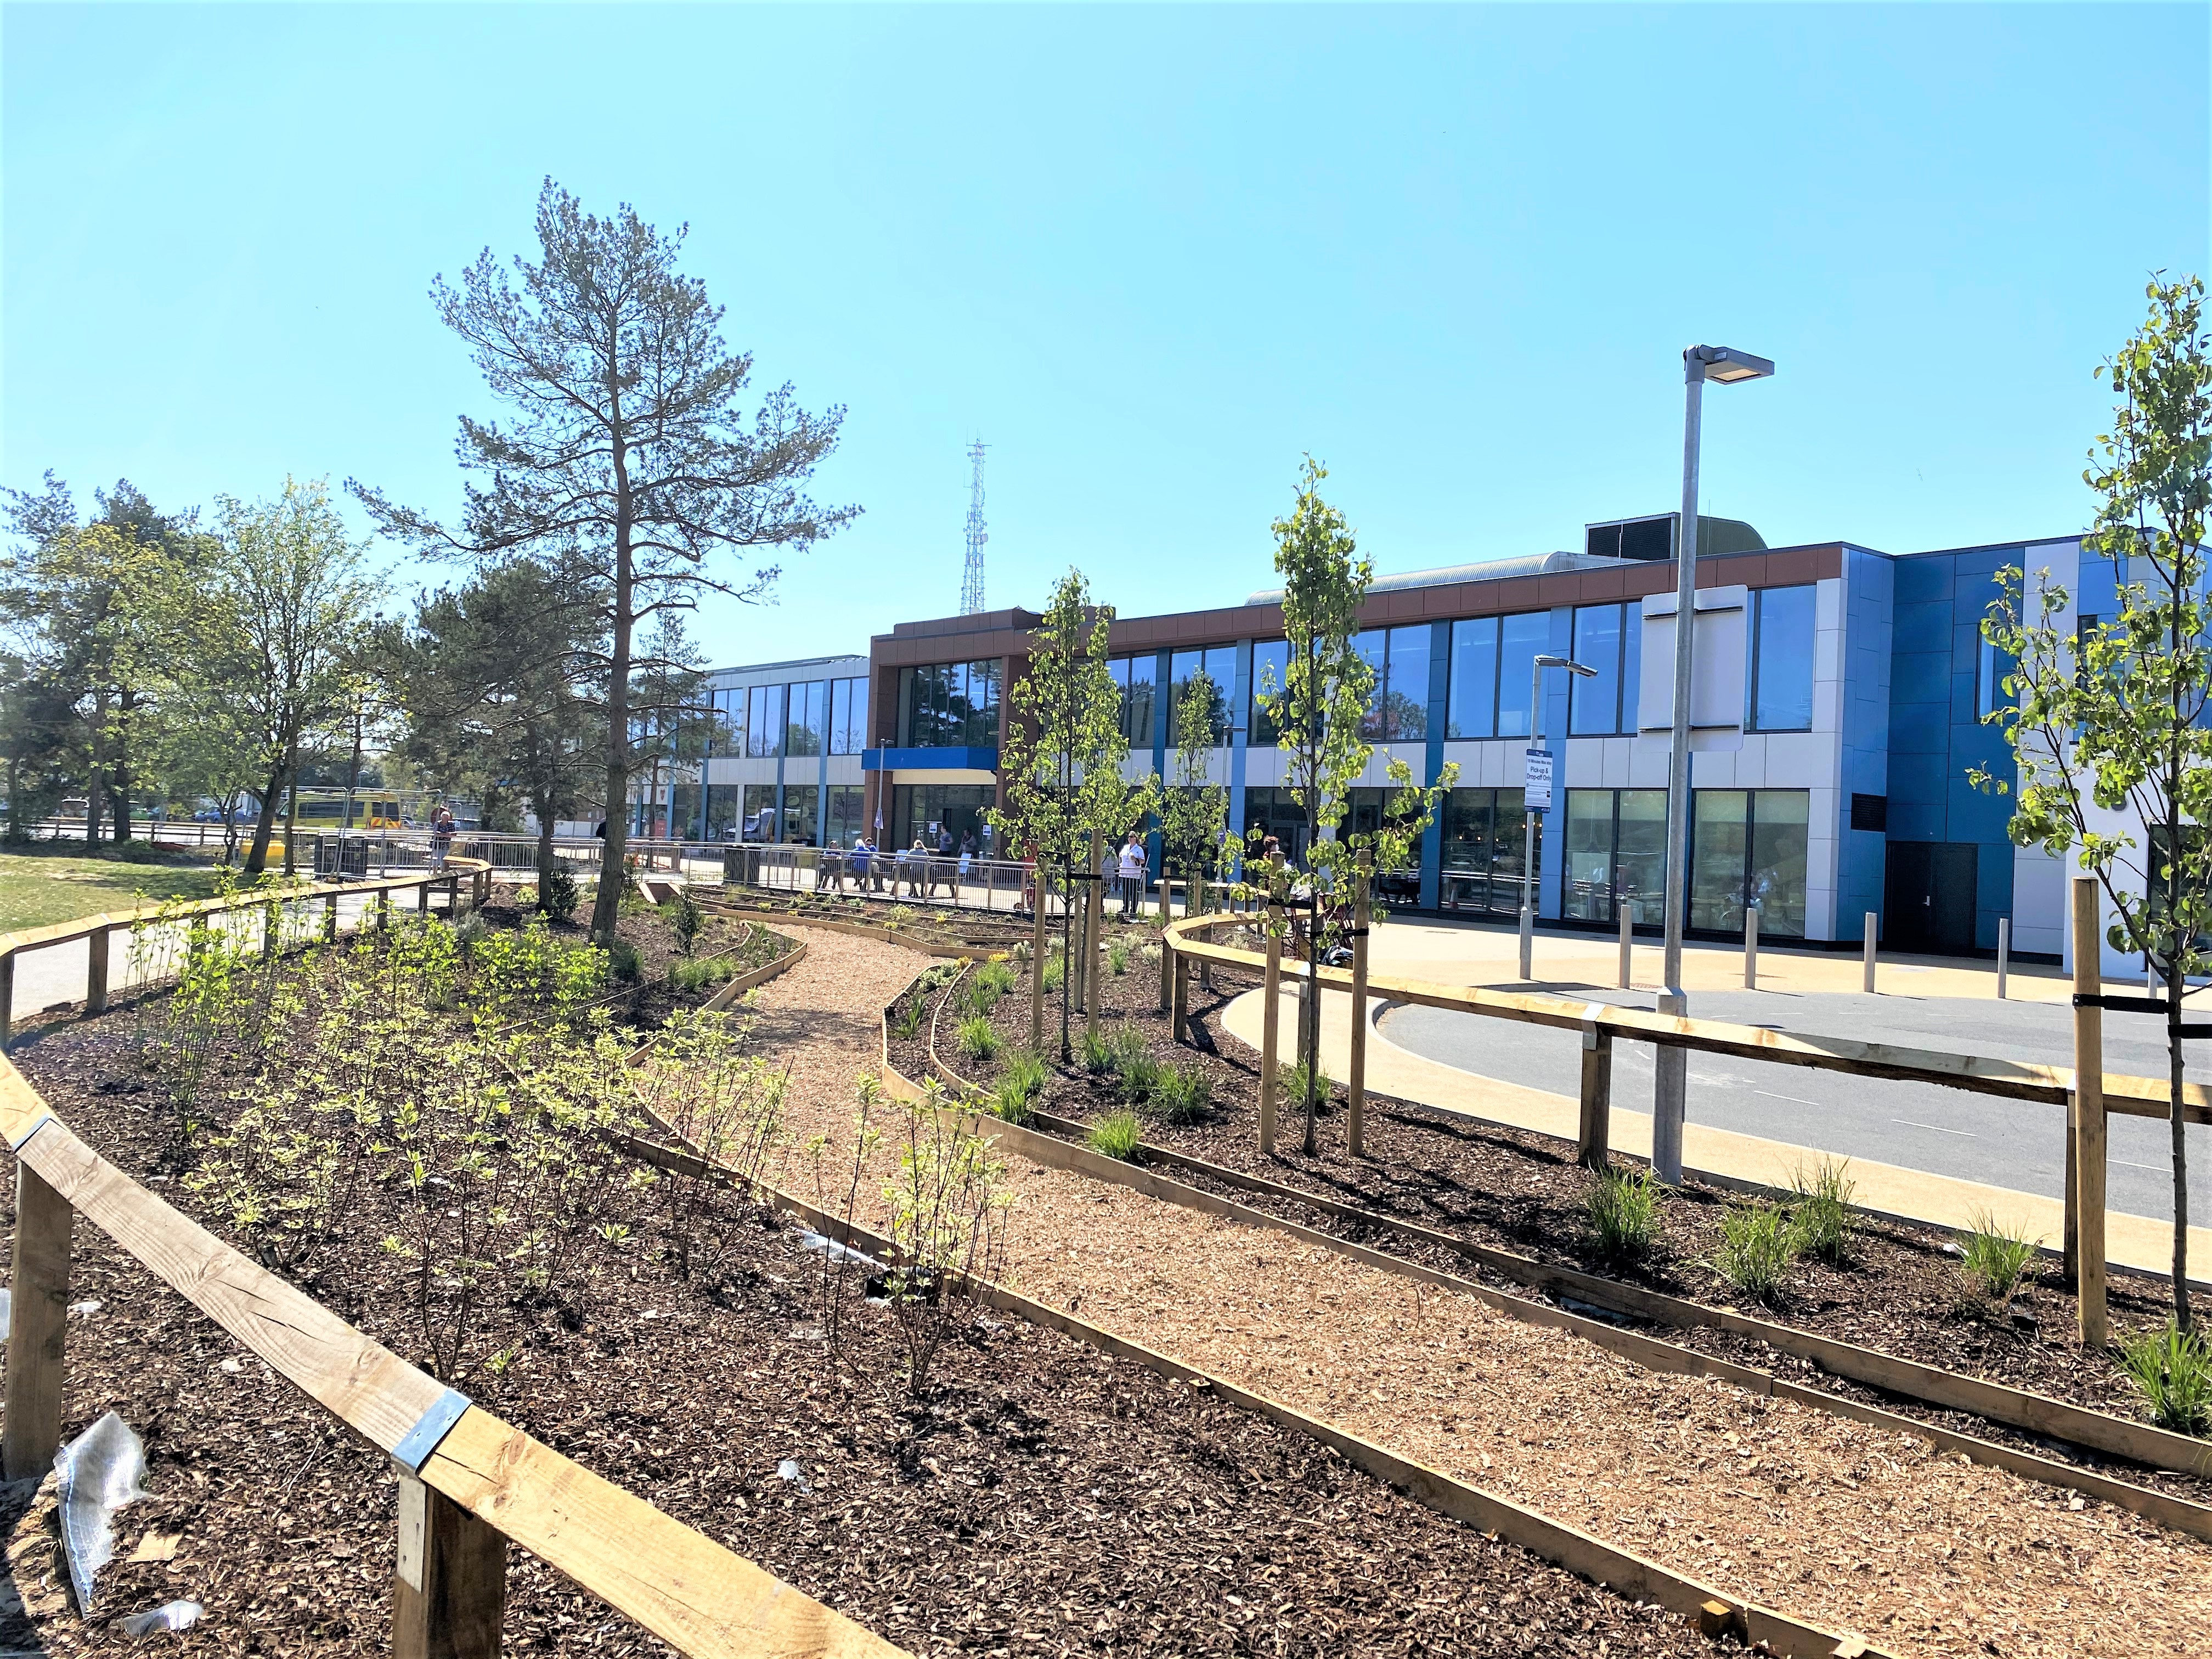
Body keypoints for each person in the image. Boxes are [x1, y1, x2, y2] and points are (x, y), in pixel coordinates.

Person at [1117, 830, 1146, 919]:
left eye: (1131, 837)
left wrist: (1135, 859)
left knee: (1133, 893)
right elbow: (1120, 855)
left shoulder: (1139, 849)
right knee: (1125, 893)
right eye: (1129, 837)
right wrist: (1120, 864)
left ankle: (1133, 910)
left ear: (1135, 838)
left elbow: (1143, 860)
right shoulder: (1125, 847)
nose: (1130, 839)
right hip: (1124, 874)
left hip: (1134, 874)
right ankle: (1125, 909)